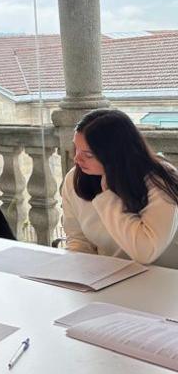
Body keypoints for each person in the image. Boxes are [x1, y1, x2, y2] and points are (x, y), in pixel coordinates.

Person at [62, 109, 178, 266]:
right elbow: (78, 239)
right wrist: (76, 273)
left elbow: (145, 252)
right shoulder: (74, 178)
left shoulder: (159, 178)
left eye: (88, 155)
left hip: (162, 278)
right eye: (76, 148)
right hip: (108, 277)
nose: (77, 159)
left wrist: (108, 192)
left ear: (116, 155)